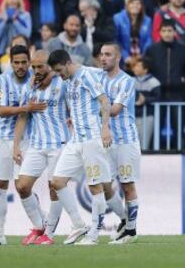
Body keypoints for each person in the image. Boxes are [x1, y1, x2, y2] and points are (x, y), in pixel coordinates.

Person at [13, 50, 88, 245]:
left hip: (59, 144)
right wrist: (16, 146)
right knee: (22, 186)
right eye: (34, 67)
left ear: (51, 66)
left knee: (54, 187)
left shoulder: (63, 83)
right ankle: (40, 226)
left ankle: (49, 235)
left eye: (40, 66)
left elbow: (76, 93)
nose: (36, 70)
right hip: (36, 145)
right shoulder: (29, 87)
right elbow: (22, 117)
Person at [0, 45, 46, 246]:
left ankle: (41, 227)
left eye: (23, 62)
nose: (20, 66)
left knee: (22, 186)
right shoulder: (2, 80)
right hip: (2, 138)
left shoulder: (36, 81)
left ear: (29, 62)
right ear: (10, 63)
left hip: (28, 139)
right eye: (16, 62)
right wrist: (25, 107)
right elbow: (1, 111)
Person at [48, 49, 112, 245]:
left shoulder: (86, 75)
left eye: (60, 70)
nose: (59, 75)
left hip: (92, 138)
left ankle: (93, 235)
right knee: (57, 181)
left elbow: (104, 100)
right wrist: (73, 117)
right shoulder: (67, 80)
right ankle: (78, 224)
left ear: (68, 63)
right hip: (75, 139)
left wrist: (105, 127)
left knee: (95, 186)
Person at [98, 42, 141, 244]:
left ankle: (130, 231)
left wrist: (88, 112)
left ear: (118, 57)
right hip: (105, 141)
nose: (103, 58)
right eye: (101, 54)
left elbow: (114, 110)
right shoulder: (98, 78)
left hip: (125, 141)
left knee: (127, 184)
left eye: (108, 54)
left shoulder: (126, 81)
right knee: (103, 183)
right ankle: (125, 221)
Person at [145, 19, 185, 101]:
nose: (167, 34)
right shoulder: (152, 49)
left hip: (179, 92)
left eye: (169, 31)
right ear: (160, 32)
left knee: (178, 114)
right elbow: (147, 69)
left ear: (175, 32)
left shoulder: (183, 49)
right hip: (157, 92)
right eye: (164, 31)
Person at [113, 0, 152, 70]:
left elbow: (149, 39)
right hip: (123, 57)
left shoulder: (147, 20)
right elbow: (116, 40)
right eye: (132, 3)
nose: (135, 6)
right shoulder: (117, 18)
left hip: (141, 57)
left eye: (138, 4)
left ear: (141, 6)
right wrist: (125, 56)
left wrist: (142, 55)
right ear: (127, 5)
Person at [132, 57, 161, 150]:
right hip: (132, 117)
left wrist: (145, 100)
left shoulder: (154, 82)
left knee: (144, 145)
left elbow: (158, 98)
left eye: (138, 66)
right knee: (131, 145)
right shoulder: (130, 81)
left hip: (147, 117)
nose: (135, 68)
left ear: (145, 69)